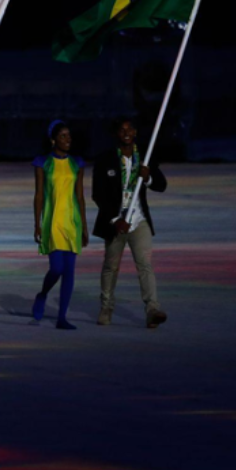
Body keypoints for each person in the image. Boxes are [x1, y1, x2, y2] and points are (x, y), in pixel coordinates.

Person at [92, 116, 168, 328]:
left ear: (135, 132)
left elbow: (162, 185)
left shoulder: (145, 157)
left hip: (139, 220)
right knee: (111, 266)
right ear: (116, 134)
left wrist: (149, 177)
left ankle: (152, 309)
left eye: (130, 129)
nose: (126, 133)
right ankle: (106, 307)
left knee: (145, 265)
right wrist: (116, 220)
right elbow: (98, 194)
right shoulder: (105, 159)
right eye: (122, 129)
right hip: (116, 222)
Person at [32, 120, 88, 330]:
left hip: (72, 222)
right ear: (53, 140)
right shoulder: (42, 162)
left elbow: (80, 196)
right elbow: (38, 195)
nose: (68, 139)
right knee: (56, 268)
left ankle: (62, 317)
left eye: (69, 136)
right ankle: (43, 294)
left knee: (70, 271)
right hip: (52, 221)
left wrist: (83, 224)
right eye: (63, 136)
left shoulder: (77, 163)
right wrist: (37, 224)